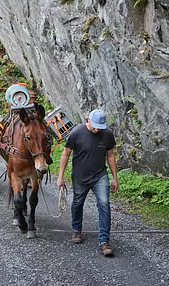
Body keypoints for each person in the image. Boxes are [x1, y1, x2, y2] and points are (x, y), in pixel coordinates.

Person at [57, 109, 118, 257]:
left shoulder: (107, 134)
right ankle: (77, 230)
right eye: (95, 126)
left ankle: (104, 241)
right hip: (80, 177)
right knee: (77, 203)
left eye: (100, 127)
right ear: (88, 120)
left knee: (104, 204)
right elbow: (65, 154)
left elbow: (110, 156)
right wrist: (60, 176)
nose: (97, 129)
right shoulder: (76, 133)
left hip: (100, 176)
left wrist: (115, 177)